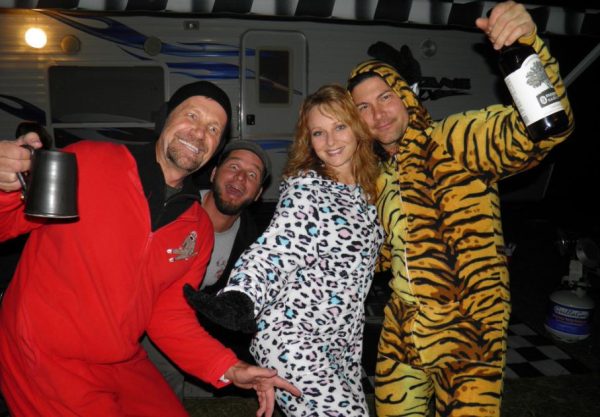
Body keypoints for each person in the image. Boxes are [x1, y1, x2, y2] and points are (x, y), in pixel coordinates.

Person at [0, 81, 300, 417]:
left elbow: (170, 315)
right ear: (165, 119)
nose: (200, 133)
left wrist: (229, 367)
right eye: (192, 116)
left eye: (213, 128)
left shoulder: (197, 228)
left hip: (120, 357)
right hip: (43, 353)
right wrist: (5, 183)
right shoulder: (88, 161)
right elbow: (6, 223)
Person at [346, 2, 574, 416]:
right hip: (402, 331)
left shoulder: (454, 139)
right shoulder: (378, 178)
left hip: (469, 333)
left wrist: (527, 46)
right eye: (362, 107)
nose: (377, 114)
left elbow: (542, 132)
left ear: (405, 96)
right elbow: (384, 253)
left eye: (384, 97)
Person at [185, 84, 384, 416]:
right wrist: (241, 297)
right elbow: (274, 250)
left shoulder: (369, 191)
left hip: (343, 342)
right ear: (309, 140)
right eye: (318, 132)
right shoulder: (308, 189)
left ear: (357, 127)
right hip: (293, 338)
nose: (330, 141)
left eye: (339, 127)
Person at [142, 139, 271, 399]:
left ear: (257, 194)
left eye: (252, 175)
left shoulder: (252, 242)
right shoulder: (175, 207)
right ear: (213, 174)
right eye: (233, 166)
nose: (240, 177)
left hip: (188, 324)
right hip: (144, 316)